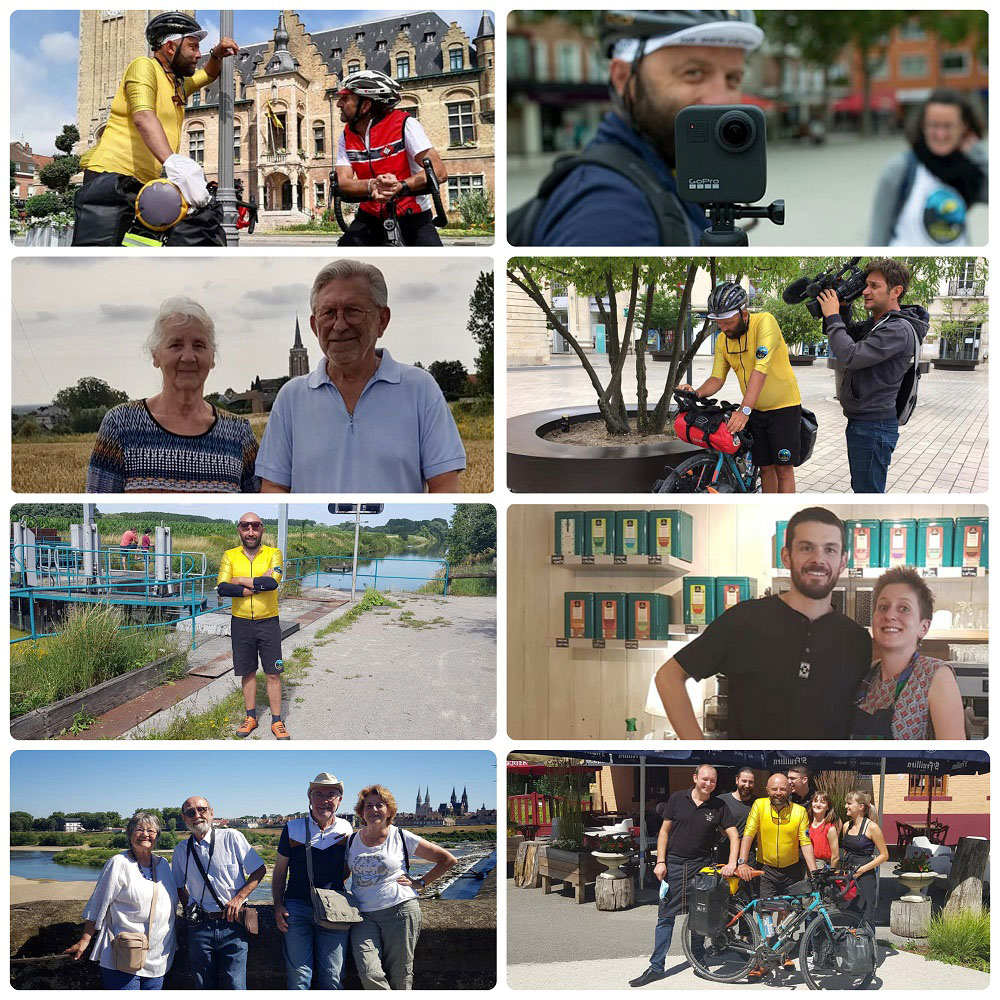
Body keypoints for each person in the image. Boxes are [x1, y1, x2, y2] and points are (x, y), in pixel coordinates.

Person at [526, 11, 764, 246]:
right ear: (622, 78)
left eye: (733, 78)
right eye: (694, 73)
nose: (721, 99)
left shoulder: (664, 171)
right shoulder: (611, 211)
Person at [655, 506, 871, 739]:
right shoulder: (744, 620)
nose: (818, 560)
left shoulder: (857, 640)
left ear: (843, 561)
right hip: (752, 774)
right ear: (786, 556)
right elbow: (668, 676)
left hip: (828, 776)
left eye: (830, 550)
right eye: (806, 548)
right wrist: (701, 754)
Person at [256, 260, 466, 492]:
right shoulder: (291, 398)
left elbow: (444, 486)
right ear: (314, 326)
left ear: (382, 320)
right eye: (328, 313)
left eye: (353, 311)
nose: (340, 325)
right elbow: (274, 487)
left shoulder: (420, 389)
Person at [72, 13, 239, 246]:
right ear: (170, 47)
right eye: (192, 47)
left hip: (145, 185)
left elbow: (208, 74)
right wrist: (173, 163)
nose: (197, 54)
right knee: (99, 254)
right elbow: (143, 117)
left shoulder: (176, 84)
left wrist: (216, 54)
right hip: (111, 180)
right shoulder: (143, 67)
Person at [86, 297, 259, 493]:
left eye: (199, 345)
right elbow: (97, 503)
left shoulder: (238, 434)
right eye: (175, 345)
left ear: (212, 357)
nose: (188, 357)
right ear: (155, 355)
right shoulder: (120, 426)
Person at [818, 259, 930, 494]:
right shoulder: (881, 323)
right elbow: (846, 336)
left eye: (874, 286)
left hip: (873, 426)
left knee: (867, 491)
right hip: (865, 423)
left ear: (896, 291)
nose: (866, 292)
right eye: (865, 285)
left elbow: (850, 355)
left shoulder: (897, 329)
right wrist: (843, 308)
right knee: (863, 487)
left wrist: (832, 316)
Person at [678, 282, 802, 492]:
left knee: (783, 469)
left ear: (743, 314)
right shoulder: (723, 341)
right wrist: (696, 392)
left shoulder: (765, 322)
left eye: (728, 322)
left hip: (784, 409)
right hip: (755, 411)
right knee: (765, 468)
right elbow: (717, 378)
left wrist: (744, 410)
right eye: (719, 323)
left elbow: (760, 369)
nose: (724, 328)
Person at [628, 765, 738, 987]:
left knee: (700, 916)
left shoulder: (718, 806)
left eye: (713, 781)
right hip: (675, 866)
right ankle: (656, 967)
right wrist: (660, 861)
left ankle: (698, 960)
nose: (709, 784)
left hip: (701, 867)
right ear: (695, 777)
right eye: (705, 779)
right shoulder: (677, 799)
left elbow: (734, 835)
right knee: (665, 917)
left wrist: (733, 863)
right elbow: (664, 832)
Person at [347, 784, 457, 989]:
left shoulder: (401, 836)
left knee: (400, 974)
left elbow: (447, 859)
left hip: (399, 910)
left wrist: (421, 883)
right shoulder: (352, 840)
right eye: (368, 806)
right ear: (361, 812)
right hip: (362, 915)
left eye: (379, 805)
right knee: (368, 971)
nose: (373, 810)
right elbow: (343, 873)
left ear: (389, 810)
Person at [65, 812, 178, 989]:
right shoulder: (118, 863)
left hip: (158, 955)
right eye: (139, 829)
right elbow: (98, 903)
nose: (145, 834)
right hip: (124, 953)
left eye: (151, 830)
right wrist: (85, 940)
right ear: (130, 833)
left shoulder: (162, 864)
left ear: (158, 835)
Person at [851, 566, 966, 739]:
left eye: (904, 608)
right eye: (883, 606)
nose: (890, 615)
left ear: (923, 627)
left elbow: (955, 759)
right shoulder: (867, 675)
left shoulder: (935, 675)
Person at [334, 71, 447, 247]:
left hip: (413, 213)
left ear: (365, 106)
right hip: (370, 215)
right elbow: (342, 181)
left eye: (345, 98)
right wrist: (372, 185)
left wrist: (400, 186)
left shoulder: (405, 124)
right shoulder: (346, 135)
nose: (338, 104)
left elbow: (439, 172)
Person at [870, 88, 988, 246]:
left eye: (948, 126)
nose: (940, 134)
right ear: (923, 126)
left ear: (963, 127)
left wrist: (977, 151)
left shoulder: (969, 171)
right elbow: (877, 237)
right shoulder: (900, 169)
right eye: (934, 125)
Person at [171, 795, 266, 989]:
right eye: (190, 812)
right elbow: (179, 886)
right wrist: (191, 908)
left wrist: (239, 899)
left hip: (234, 924)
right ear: (184, 818)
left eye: (202, 809)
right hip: (200, 927)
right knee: (204, 986)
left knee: (236, 986)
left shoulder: (232, 837)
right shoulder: (181, 850)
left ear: (211, 813)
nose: (197, 815)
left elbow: (259, 869)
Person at [272, 773, 354, 989]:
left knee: (333, 977)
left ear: (340, 800)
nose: (324, 800)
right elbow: (280, 871)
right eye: (318, 794)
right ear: (309, 797)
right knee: (299, 977)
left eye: (331, 794)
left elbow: (349, 869)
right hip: (296, 908)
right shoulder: (292, 828)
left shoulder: (347, 829)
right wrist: (278, 905)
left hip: (334, 909)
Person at [217, 514, 288, 739]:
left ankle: (277, 721)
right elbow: (222, 588)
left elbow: (272, 583)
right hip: (241, 622)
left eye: (255, 527)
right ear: (239, 529)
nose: (250, 531)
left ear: (262, 530)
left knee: (273, 672)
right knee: (247, 671)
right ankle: (251, 717)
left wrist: (238, 580)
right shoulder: (229, 555)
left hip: (268, 621)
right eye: (245, 527)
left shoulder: (273, 553)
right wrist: (255, 584)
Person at [738, 774, 816, 904]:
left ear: (790, 790)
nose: (778, 793)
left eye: (783, 789)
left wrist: (814, 873)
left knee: (788, 911)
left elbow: (806, 843)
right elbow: (749, 834)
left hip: (791, 870)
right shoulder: (759, 805)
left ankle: (781, 925)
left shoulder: (800, 811)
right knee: (766, 910)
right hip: (766, 869)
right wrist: (742, 863)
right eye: (774, 789)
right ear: (767, 790)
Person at [840, 791, 889, 931]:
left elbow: (884, 855)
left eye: (849, 803)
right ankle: (854, 948)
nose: (846, 806)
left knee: (866, 914)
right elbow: (846, 851)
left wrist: (863, 869)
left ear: (861, 806)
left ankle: (868, 949)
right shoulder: (846, 826)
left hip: (865, 876)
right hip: (850, 874)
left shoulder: (872, 827)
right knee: (851, 911)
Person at [807, 792, 840, 869]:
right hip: (805, 863)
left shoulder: (830, 828)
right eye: (815, 801)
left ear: (828, 807)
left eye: (822, 802)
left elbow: (835, 856)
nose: (818, 805)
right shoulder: (806, 824)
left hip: (821, 865)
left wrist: (830, 873)